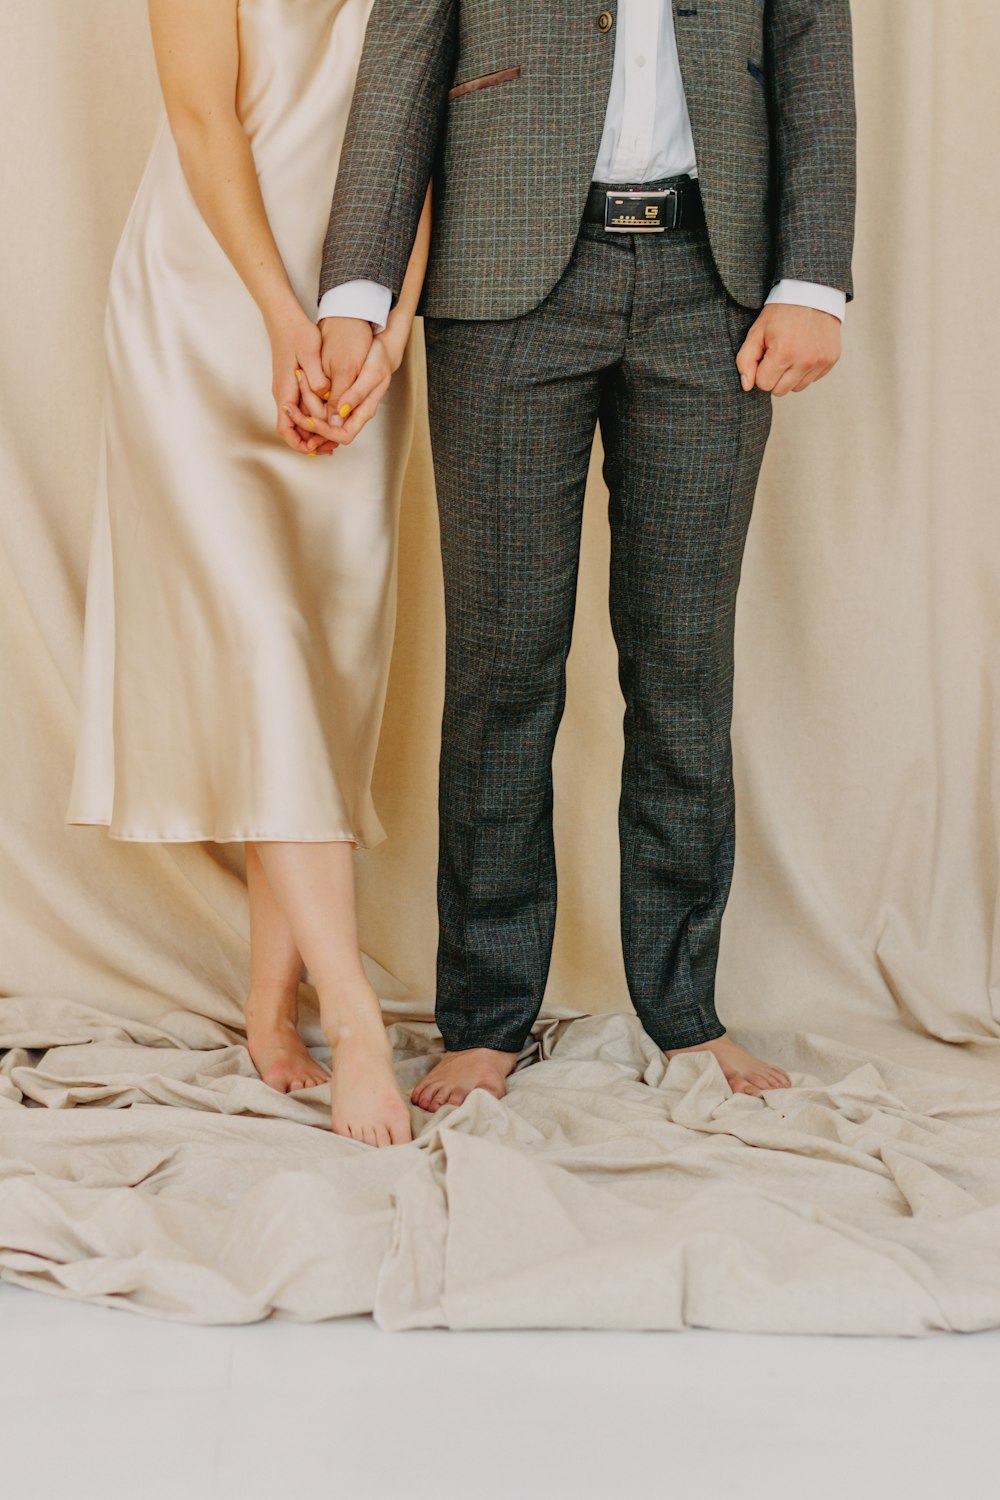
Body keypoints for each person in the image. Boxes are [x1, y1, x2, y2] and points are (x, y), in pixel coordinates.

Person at [309, 0, 857, 1110]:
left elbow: (812, 52)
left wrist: (811, 280)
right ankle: (486, 1018)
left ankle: (685, 1012)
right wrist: (356, 295)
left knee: (683, 667)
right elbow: (403, 58)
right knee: (502, 666)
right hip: (503, 287)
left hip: (717, 287)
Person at [66, 0, 430, 1147]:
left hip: (355, 322)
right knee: (266, 643)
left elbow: (432, 129)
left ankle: (270, 1000)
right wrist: (282, 315)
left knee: (315, 668)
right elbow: (200, 120)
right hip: (209, 308)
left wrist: (391, 328)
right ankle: (357, 1017)